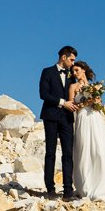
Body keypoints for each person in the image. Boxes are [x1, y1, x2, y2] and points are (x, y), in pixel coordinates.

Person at [70, 61, 105, 200]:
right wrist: (85, 103)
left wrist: (97, 101)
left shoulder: (94, 86)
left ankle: (103, 184)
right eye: (73, 71)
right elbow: (72, 106)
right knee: (84, 149)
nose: (74, 73)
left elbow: (99, 106)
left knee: (99, 149)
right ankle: (85, 185)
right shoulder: (73, 87)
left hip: (95, 118)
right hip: (82, 118)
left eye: (76, 70)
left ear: (83, 70)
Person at [38, 45, 79, 200]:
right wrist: (63, 103)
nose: (73, 63)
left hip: (67, 118)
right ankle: (50, 189)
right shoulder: (47, 72)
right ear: (63, 57)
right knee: (50, 152)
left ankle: (68, 190)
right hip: (51, 116)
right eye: (71, 59)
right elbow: (43, 94)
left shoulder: (72, 75)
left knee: (68, 153)